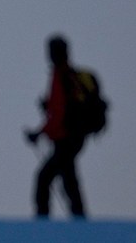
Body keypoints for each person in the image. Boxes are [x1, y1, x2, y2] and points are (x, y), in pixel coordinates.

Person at [25, 35, 87, 219]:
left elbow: (58, 114)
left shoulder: (60, 76)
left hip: (64, 139)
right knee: (68, 179)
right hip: (73, 138)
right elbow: (58, 109)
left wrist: (39, 133)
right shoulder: (69, 75)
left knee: (44, 180)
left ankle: (44, 224)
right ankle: (81, 221)